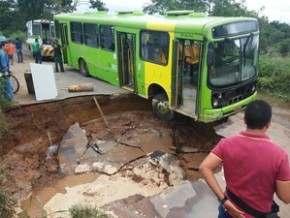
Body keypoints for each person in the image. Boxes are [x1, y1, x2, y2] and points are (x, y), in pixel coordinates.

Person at [199, 100, 290, 218]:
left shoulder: (226, 144)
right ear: (268, 123)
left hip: (228, 210)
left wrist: (223, 200)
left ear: (245, 120)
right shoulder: (280, 156)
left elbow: (204, 167)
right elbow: (286, 197)